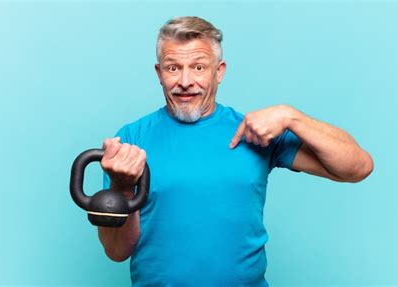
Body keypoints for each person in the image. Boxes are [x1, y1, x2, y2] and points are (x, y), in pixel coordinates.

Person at [97, 16, 373, 286]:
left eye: (198, 67)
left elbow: (357, 167)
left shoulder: (255, 132)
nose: (185, 80)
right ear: (159, 74)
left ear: (219, 71)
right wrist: (122, 187)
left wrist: (291, 117)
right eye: (173, 68)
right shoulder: (130, 142)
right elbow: (116, 251)